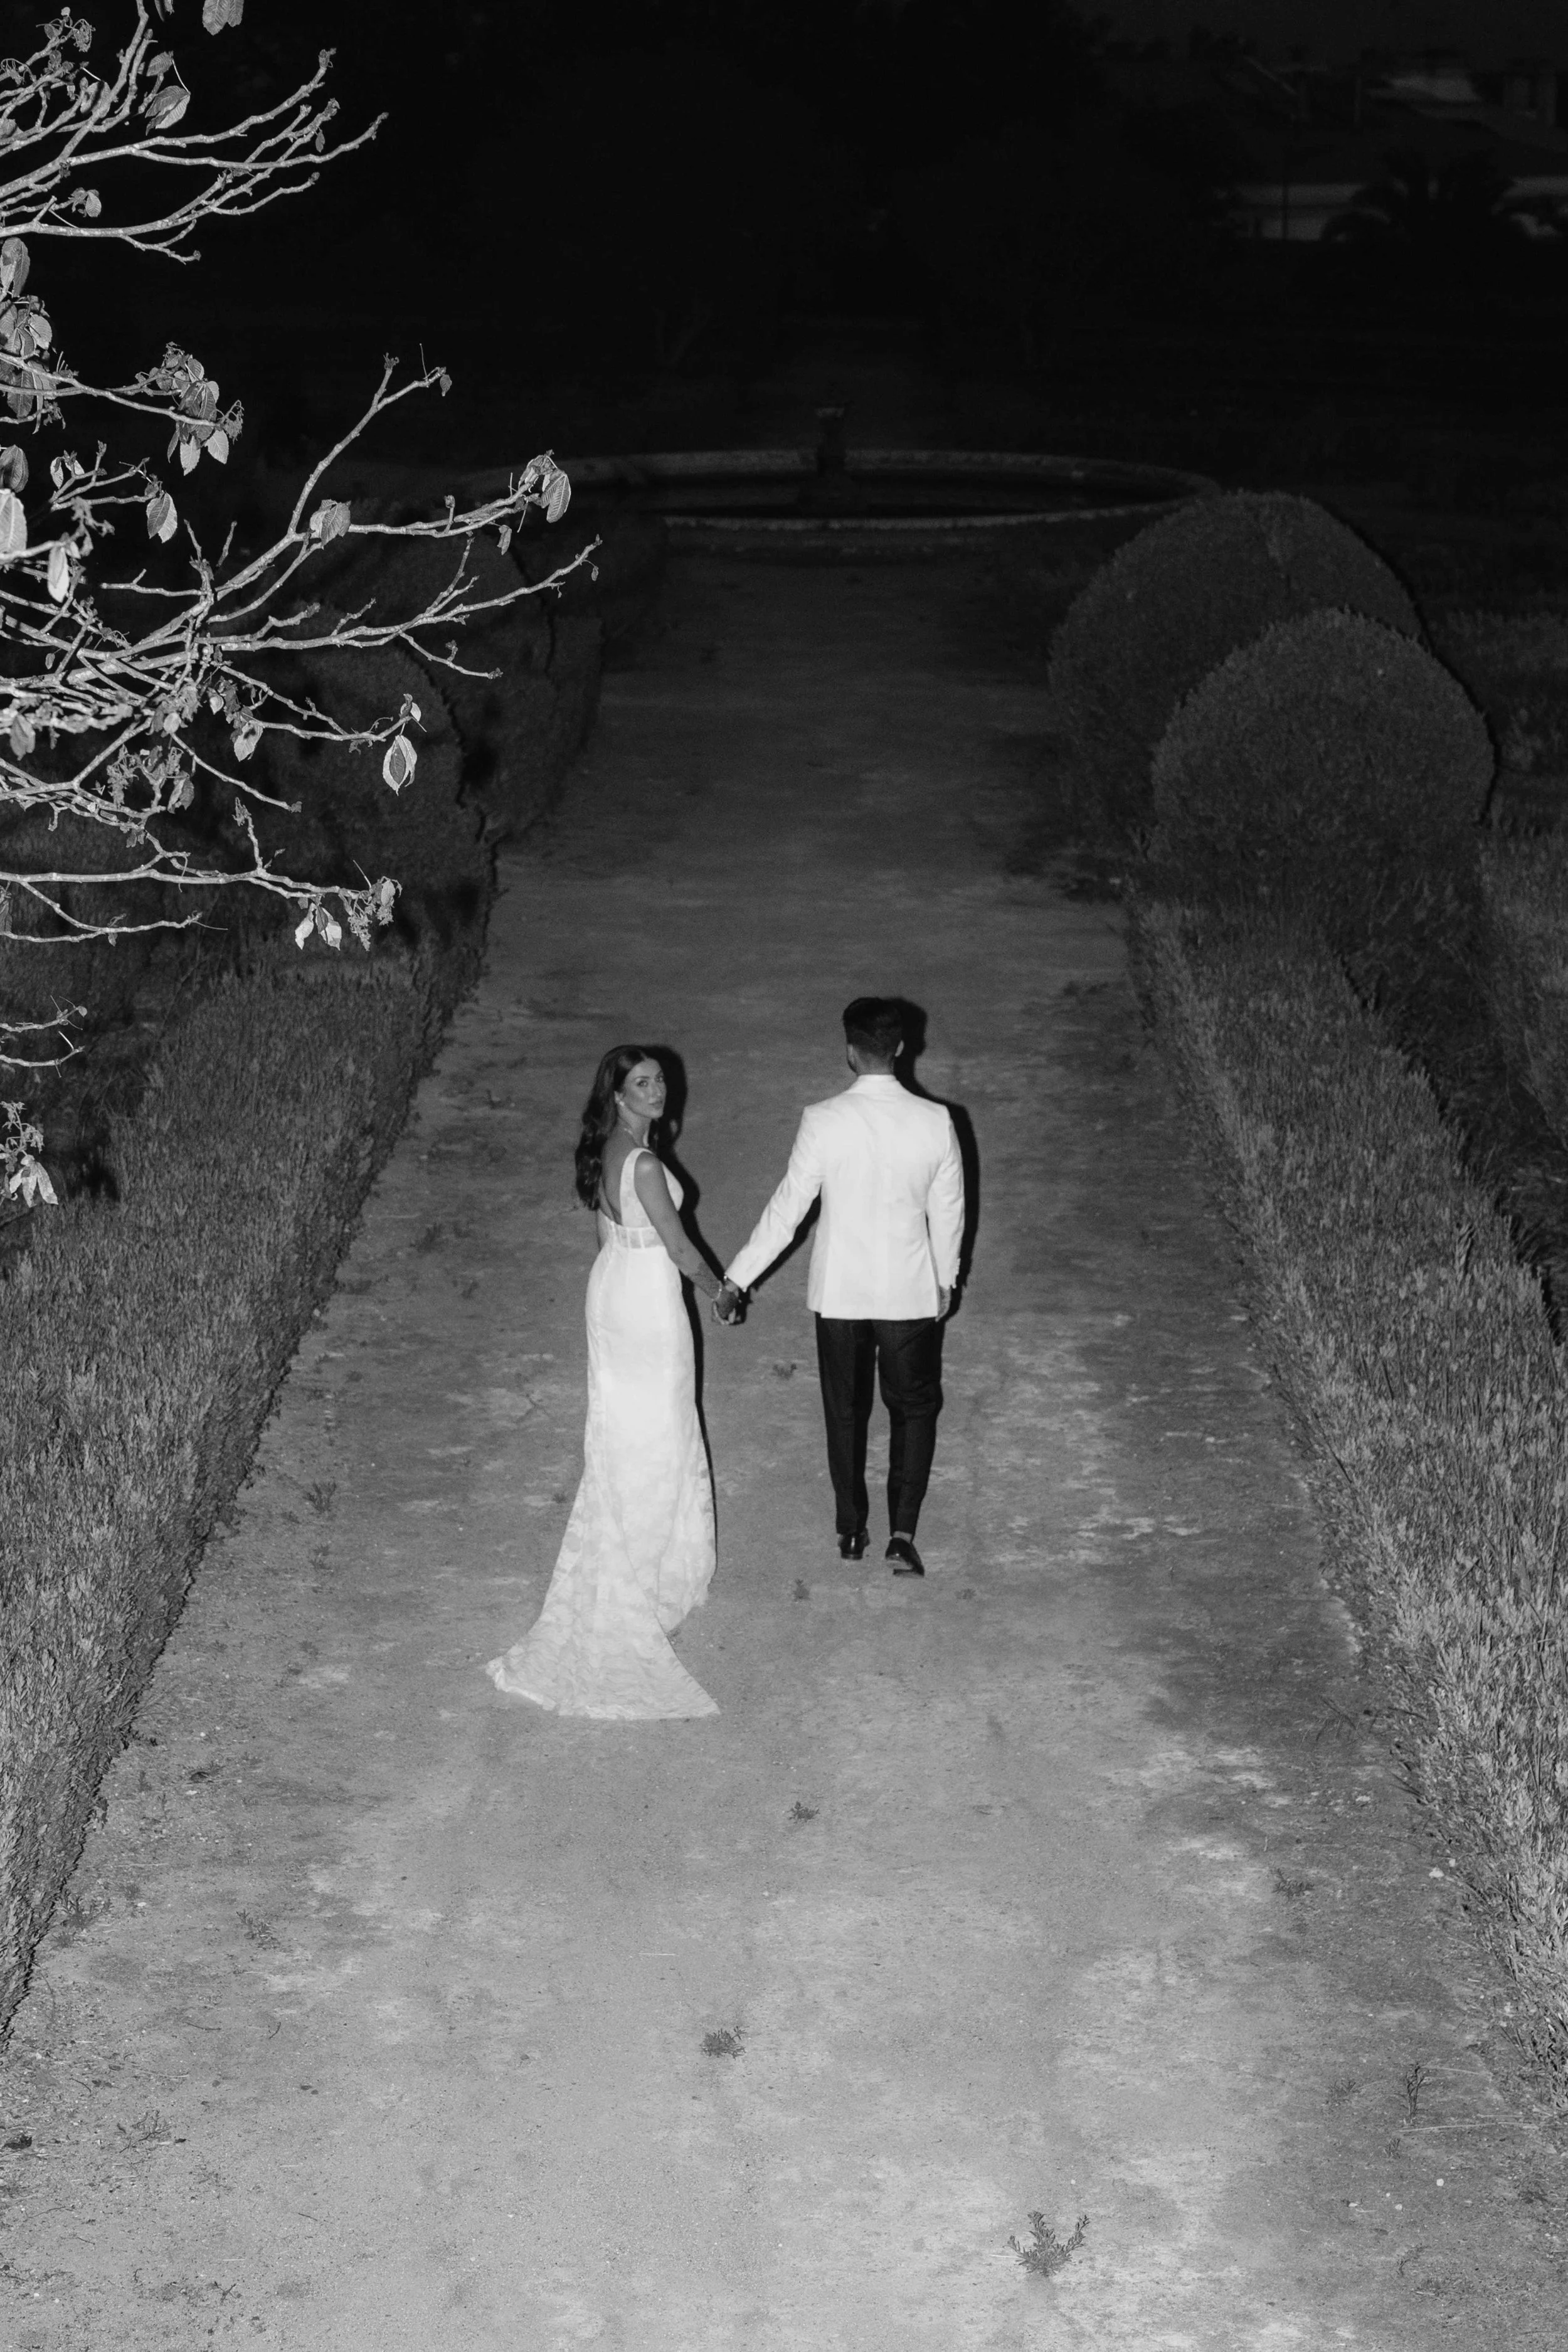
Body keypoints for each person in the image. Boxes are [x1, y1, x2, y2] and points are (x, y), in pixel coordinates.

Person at [487, 1046, 732, 1720]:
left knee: (629, 1427)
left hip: (615, 1287)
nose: (656, 1091)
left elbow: (607, 1234)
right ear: (618, 1095)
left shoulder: (606, 1149)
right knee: (658, 1428)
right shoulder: (646, 1163)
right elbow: (680, 1248)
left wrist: (620, 1290)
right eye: (641, 1084)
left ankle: (648, 1560)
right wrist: (723, 1292)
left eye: (659, 1081)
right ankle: (644, 1571)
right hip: (648, 1301)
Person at [719, 998, 964, 1578]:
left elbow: (788, 1210)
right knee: (914, 1409)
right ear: (902, 1049)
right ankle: (902, 1534)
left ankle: (850, 1529)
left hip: (840, 1296)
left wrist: (738, 1277)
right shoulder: (935, 1122)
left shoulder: (822, 1119)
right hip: (909, 1294)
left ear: (850, 1051)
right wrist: (946, 1276)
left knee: (845, 1411)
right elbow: (949, 1211)